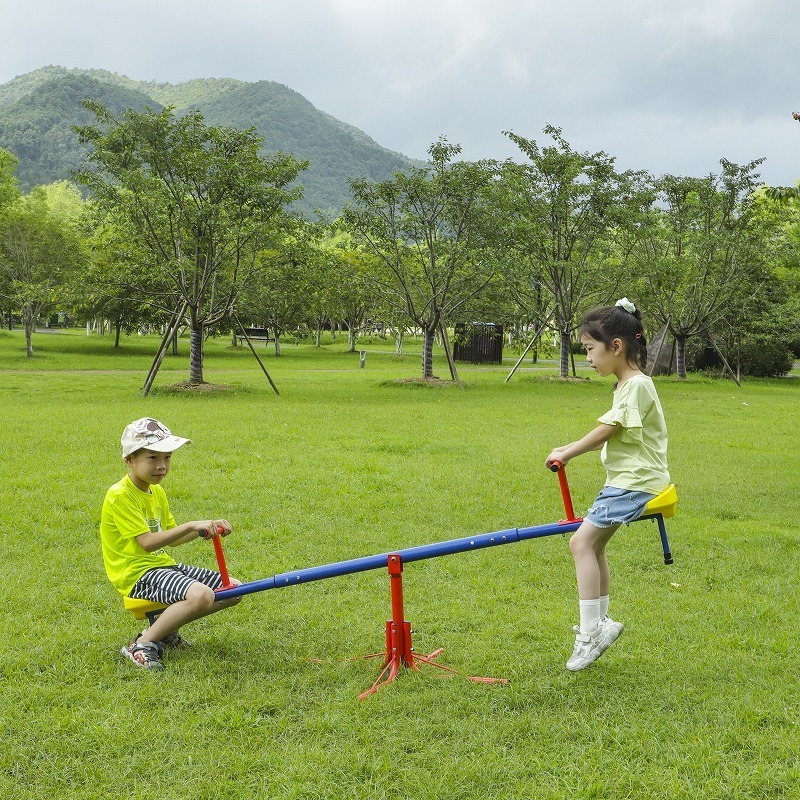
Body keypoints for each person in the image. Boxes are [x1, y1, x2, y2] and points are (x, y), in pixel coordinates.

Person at [545, 298, 669, 671]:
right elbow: (609, 430)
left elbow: (608, 430)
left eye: (589, 349)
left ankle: (590, 633)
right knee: (594, 547)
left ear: (616, 346)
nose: (588, 358)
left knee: (580, 542)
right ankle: (599, 625)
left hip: (635, 482)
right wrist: (567, 447)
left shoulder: (635, 386)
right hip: (630, 480)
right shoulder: (628, 385)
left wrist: (568, 453)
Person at [100, 417, 242, 670]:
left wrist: (206, 528)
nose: (162, 466)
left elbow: (172, 539)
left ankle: (165, 631)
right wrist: (190, 525)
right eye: (152, 458)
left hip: (162, 566)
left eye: (167, 458)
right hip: (137, 573)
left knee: (233, 589)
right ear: (129, 460)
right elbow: (147, 543)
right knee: (201, 595)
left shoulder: (157, 492)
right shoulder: (120, 495)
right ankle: (142, 643)